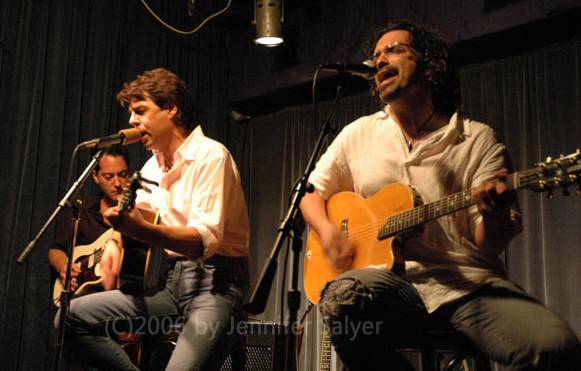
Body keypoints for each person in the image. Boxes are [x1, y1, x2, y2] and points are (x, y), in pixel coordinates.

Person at [300, 20, 581, 370]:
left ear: (430, 65)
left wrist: (493, 211)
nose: (380, 61)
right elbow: (310, 194)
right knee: (342, 296)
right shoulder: (359, 134)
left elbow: (488, 243)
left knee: (556, 347)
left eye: (394, 50)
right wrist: (328, 233)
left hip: (464, 286)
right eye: (376, 56)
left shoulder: (477, 140)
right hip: (388, 287)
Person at [59, 68, 250, 371]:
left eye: (141, 111)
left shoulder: (211, 156)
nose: (132, 122)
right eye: (132, 113)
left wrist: (140, 228)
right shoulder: (150, 168)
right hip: (172, 284)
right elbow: (137, 222)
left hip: (217, 286)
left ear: (171, 108)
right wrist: (116, 242)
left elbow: (201, 242)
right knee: (69, 316)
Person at [49, 144, 130, 297]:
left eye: (123, 174)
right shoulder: (82, 209)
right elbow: (56, 249)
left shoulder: (139, 212)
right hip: (84, 295)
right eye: (109, 176)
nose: (118, 183)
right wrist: (65, 268)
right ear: (95, 176)